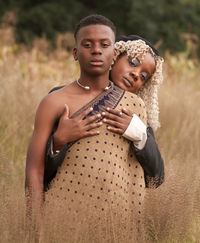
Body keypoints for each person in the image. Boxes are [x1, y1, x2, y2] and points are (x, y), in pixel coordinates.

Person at [26, 14, 148, 239]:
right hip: (63, 218)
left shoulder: (135, 106)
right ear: (75, 53)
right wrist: (36, 230)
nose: (96, 50)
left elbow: (137, 173)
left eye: (104, 44)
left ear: (114, 54)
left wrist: (135, 229)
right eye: (87, 44)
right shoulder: (53, 102)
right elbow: (34, 170)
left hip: (115, 221)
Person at [45, 35, 164, 190]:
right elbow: (38, 167)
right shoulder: (62, 97)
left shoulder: (136, 119)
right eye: (132, 62)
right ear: (114, 56)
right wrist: (59, 140)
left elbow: (156, 178)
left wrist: (140, 136)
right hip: (62, 201)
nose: (136, 74)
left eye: (143, 76)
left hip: (111, 209)